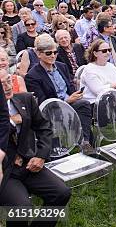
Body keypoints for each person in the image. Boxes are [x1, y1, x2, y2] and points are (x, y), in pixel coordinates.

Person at [0, 68, 72, 220]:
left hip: (28, 163)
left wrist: (41, 155)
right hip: (5, 171)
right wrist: (12, 122)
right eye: (1, 84)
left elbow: (44, 128)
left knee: (61, 193)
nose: (6, 87)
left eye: (8, 81)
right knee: (21, 209)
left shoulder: (25, 99)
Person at [24, 34, 94, 152]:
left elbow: (70, 88)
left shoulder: (62, 67)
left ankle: (84, 142)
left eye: (55, 52)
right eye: (48, 53)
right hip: (52, 109)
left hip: (70, 103)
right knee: (82, 105)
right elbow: (42, 102)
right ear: (39, 54)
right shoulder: (33, 76)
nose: (52, 55)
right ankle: (81, 143)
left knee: (84, 104)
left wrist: (76, 94)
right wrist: (66, 101)